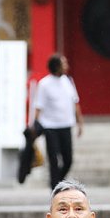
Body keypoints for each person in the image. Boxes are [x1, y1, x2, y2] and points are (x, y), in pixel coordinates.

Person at [33, 54, 83, 189]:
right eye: (64, 64)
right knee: (54, 159)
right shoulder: (44, 84)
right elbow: (39, 106)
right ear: (56, 66)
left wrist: (80, 123)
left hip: (66, 125)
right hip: (50, 126)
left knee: (68, 159)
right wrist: (34, 125)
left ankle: (58, 182)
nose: (67, 66)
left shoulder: (68, 81)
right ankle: (54, 187)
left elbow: (75, 102)